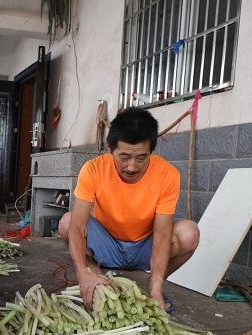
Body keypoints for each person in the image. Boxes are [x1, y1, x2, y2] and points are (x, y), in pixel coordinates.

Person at [58, 107, 200, 312]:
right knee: (66, 222)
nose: (132, 166)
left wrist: (158, 286)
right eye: (124, 157)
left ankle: (153, 284)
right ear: (109, 148)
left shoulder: (167, 174)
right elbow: (78, 227)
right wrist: (81, 273)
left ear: (151, 150)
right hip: (107, 244)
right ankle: (93, 276)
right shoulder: (93, 170)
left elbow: (162, 235)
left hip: (145, 246)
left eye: (141, 157)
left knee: (189, 234)